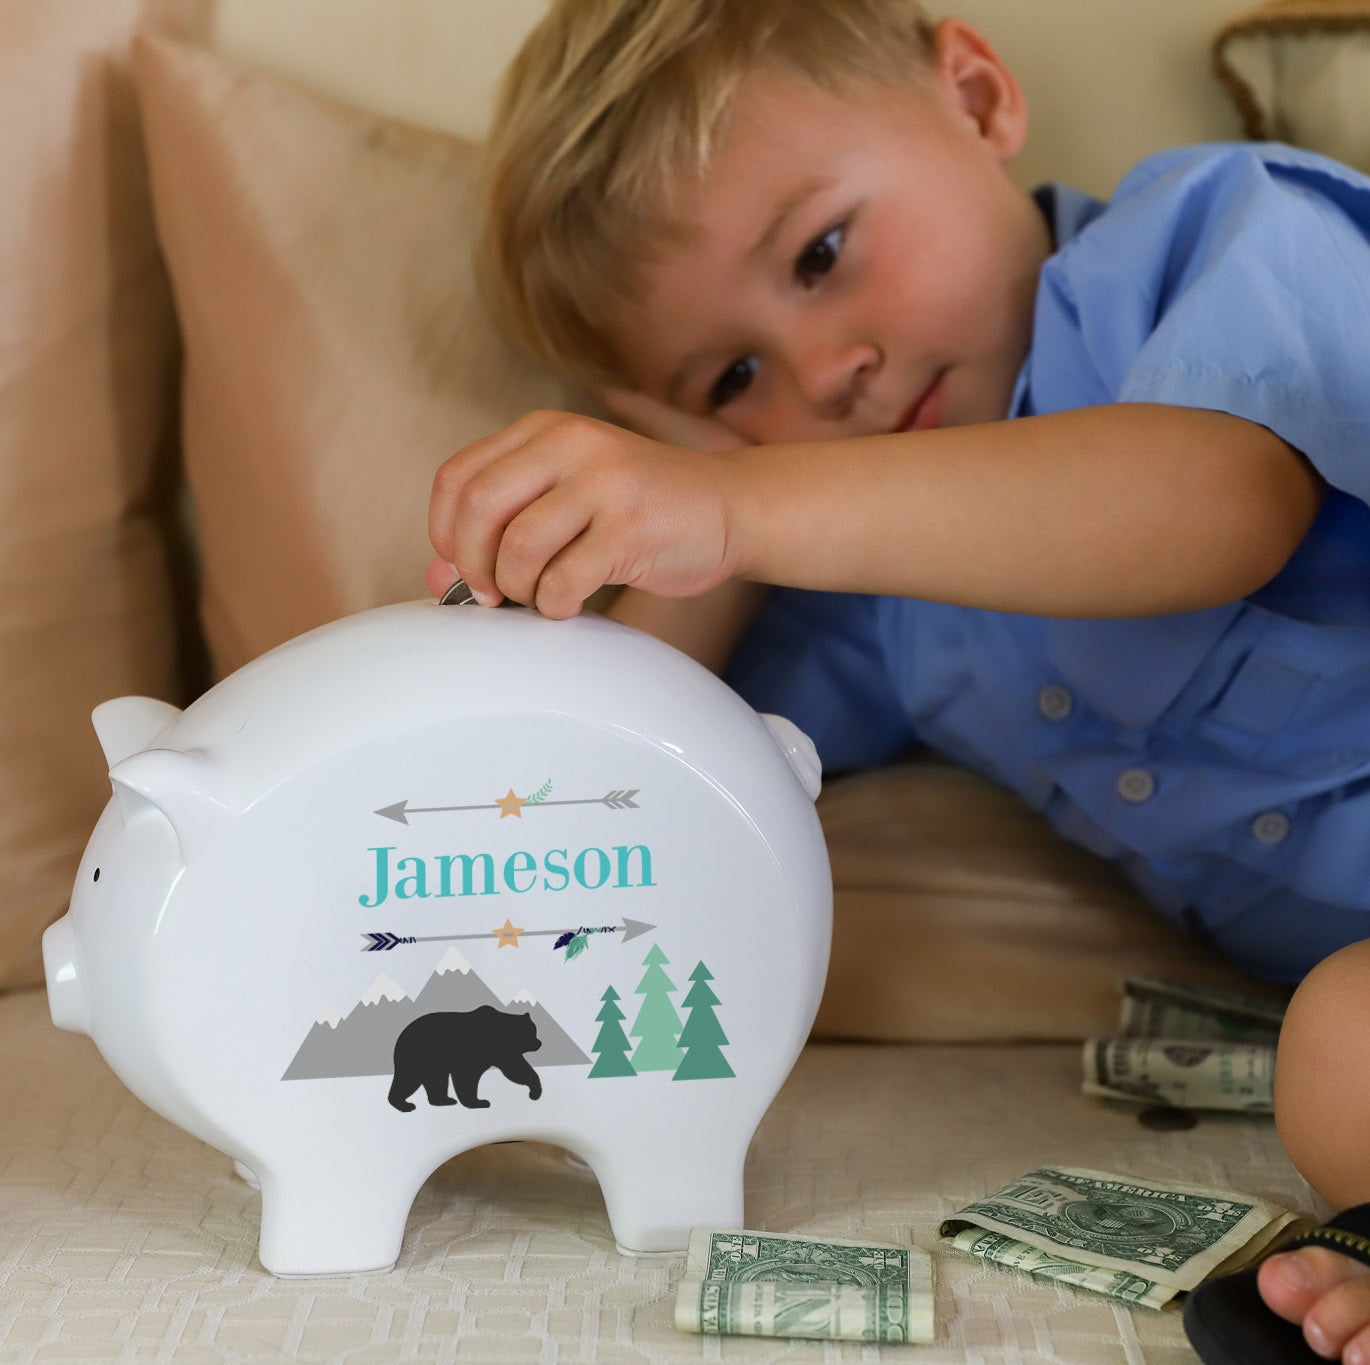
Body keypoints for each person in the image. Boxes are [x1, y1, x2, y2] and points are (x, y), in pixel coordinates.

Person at [424, 1, 1370, 1357]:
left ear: (977, 96)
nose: (827, 373)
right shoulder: (876, 606)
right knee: (1335, 1056)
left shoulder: (1207, 232)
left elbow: (1216, 499)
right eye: (735, 372)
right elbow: (643, 767)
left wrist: (737, 496)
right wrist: (678, 527)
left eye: (820, 252)